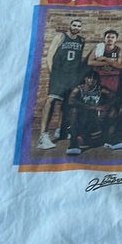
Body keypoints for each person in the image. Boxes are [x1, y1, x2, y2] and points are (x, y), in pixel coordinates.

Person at [37, 18, 85, 150]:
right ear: (70, 25)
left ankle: (61, 129)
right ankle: (43, 136)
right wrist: (52, 72)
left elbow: (79, 59)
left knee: (67, 103)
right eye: (74, 25)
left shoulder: (81, 40)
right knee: (51, 100)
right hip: (59, 73)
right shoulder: (60, 37)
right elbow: (49, 56)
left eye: (79, 26)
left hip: (72, 75)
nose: (76, 27)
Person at [65, 71, 122, 155]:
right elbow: (71, 101)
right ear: (85, 78)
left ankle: (110, 139)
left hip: (96, 117)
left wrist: (106, 106)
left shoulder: (100, 89)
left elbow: (115, 98)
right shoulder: (78, 89)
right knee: (73, 111)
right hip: (83, 118)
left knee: (112, 110)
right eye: (89, 78)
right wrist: (93, 107)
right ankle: (73, 142)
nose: (91, 80)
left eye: (94, 78)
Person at [87, 29, 122, 93]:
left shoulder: (119, 50)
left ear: (116, 39)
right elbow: (90, 62)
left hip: (113, 78)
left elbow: (120, 65)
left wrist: (105, 58)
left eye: (113, 37)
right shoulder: (98, 48)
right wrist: (110, 63)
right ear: (104, 38)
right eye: (108, 37)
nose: (110, 39)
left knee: (111, 95)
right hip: (100, 77)